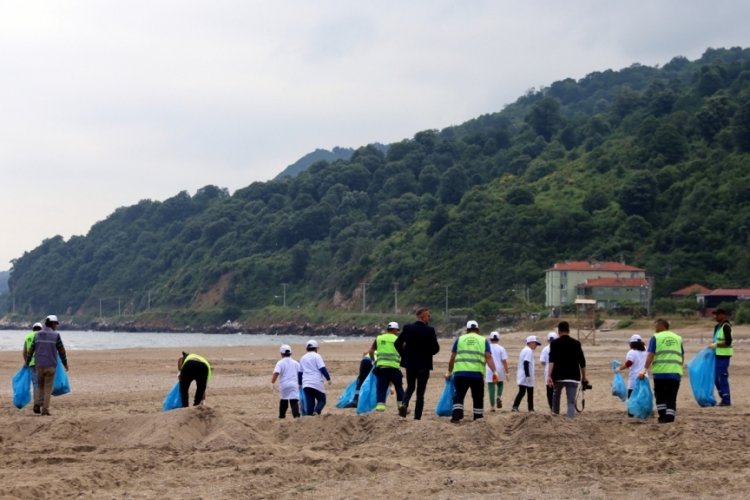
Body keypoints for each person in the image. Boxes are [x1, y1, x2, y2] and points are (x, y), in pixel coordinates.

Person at [447, 321, 500, 423]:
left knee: (459, 395)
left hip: (460, 373)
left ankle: (456, 417)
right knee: (478, 396)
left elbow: (452, 357)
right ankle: (478, 417)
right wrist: (494, 371)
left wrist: (449, 371)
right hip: (476, 374)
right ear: (478, 330)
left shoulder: (460, 339)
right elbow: (488, 357)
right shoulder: (483, 340)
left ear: (467, 330)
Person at [395, 306, 440, 420]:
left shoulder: (408, 328)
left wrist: (404, 354)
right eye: (428, 315)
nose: (429, 318)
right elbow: (435, 349)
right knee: (420, 392)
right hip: (424, 365)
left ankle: (404, 405)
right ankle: (417, 417)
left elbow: (397, 344)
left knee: (410, 387)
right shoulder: (429, 330)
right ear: (422, 316)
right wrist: (427, 352)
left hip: (410, 363)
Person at [639, 319, 683, 423]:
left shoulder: (656, 337)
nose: (655, 329)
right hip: (675, 373)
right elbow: (681, 355)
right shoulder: (678, 338)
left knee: (660, 396)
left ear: (661, 326)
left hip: (660, 373)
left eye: (656, 326)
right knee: (671, 396)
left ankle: (662, 416)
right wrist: (679, 369)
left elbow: (650, 354)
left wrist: (645, 369)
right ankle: (670, 417)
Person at [25, 315, 68, 416]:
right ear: (52, 324)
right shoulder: (56, 335)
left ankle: (37, 404)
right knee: (48, 388)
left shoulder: (37, 335)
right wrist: (65, 363)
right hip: (51, 366)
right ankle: (45, 409)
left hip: (39, 365)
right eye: (56, 324)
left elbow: (31, 350)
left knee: (40, 386)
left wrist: (27, 362)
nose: (56, 326)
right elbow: (62, 351)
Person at [547, 321, 588, 419]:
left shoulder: (554, 344)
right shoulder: (576, 343)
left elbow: (551, 361)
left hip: (558, 376)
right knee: (571, 401)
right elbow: (582, 362)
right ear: (569, 331)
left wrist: (549, 375)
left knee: (556, 396)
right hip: (573, 377)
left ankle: (555, 417)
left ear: (559, 331)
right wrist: (584, 377)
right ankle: (570, 421)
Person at [369, 321, 406, 415]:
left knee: (381, 388)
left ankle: (380, 408)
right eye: (397, 330)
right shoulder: (399, 339)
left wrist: (374, 361)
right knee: (399, 387)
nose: (398, 332)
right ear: (395, 330)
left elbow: (371, 351)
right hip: (394, 368)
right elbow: (405, 352)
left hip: (382, 368)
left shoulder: (379, 338)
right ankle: (401, 406)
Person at [300, 340, 331, 416]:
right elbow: (322, 368)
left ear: (307, 349)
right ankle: (316, 412)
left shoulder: (302, 358)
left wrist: (300, 383)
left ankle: (310, 416)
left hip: (306, 383)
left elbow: (300, 373)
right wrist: (328, 378)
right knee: (322, 400)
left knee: (310, 402)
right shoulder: (317, 356)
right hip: (316, 382)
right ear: (316, 348)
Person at [709, 308, 733, 406]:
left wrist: (716, 345)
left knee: (722, 377)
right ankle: (723, 397)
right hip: (717, 355)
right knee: (715, 377)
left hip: (724, 355)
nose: (716, 317)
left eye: (717, 315)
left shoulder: (726, 326)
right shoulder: (717, 327)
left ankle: (726, 400)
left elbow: (728, 342)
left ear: (723, 315)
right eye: (715, 315)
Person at [271, 344, 303, 418]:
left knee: (284, 400)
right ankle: (296, 416)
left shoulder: (280, 363)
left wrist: (272, 382)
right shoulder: (296, 363)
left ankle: (282, 415)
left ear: (281, 353)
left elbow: (276, 373)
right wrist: (300, 383)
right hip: (294, 384)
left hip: (284, 385)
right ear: (290, 353)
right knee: (294, 401)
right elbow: (300, 374)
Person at [512, 335, 541, 413]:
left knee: (523, 392)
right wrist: (528, 375)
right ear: (531, 342)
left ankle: (518, 407)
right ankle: (528, 409)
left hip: (524, 375)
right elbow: (526, 363)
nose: (536, 345)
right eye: (535, 343)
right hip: (525, 376)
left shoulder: (525, 350)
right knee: (526, 392)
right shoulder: (528, 351)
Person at [617, 334, 647, 405]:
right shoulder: (645, 350)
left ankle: (632, 411)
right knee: (642, 394)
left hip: (634, 378)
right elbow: (644, 344)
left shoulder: (631, 352)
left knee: (632, 394)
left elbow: (629, 363)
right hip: (644, 376)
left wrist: (619, 369)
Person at [486, 331, 509, 411]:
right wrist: (507, 372)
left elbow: (484, 359)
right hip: (499, 369)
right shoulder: (501, 348)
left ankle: (492, 407)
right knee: (500, 384)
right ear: (498, 339)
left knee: (491, 388)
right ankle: (498, 396)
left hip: (490, 369)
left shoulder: (487, 347)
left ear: (490, 339)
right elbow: (504, 361)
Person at [22, 322, 43, 410]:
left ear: (33, 328)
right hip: (43, 363)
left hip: (32, 363)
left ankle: (36, 403)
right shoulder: (43, 336)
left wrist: (26, 362)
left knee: (35, 384)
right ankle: (41, 401)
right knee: (43, 383)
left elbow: (25, 352)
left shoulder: (28, 336)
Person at [539, 331, 558, 411]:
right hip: (558, 371)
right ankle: (556, 407)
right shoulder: (559, 348)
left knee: (549, 391)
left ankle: (552, 408)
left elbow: (542, 362)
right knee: (557, 390)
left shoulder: (545, 349)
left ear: (548, 340)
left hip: (548, 371)